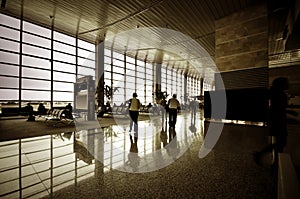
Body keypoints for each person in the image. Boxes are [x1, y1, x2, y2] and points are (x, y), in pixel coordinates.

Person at [253, 77, 289, 168]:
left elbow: (276, 108)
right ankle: (261, 155)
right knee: (281, 142)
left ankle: (275, 162)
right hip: (279, 120)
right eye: (286, 83)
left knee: (280, 142)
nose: (288, 84)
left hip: (276, 120)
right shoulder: (280, 94)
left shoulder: (275, 93)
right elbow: (279, 108)